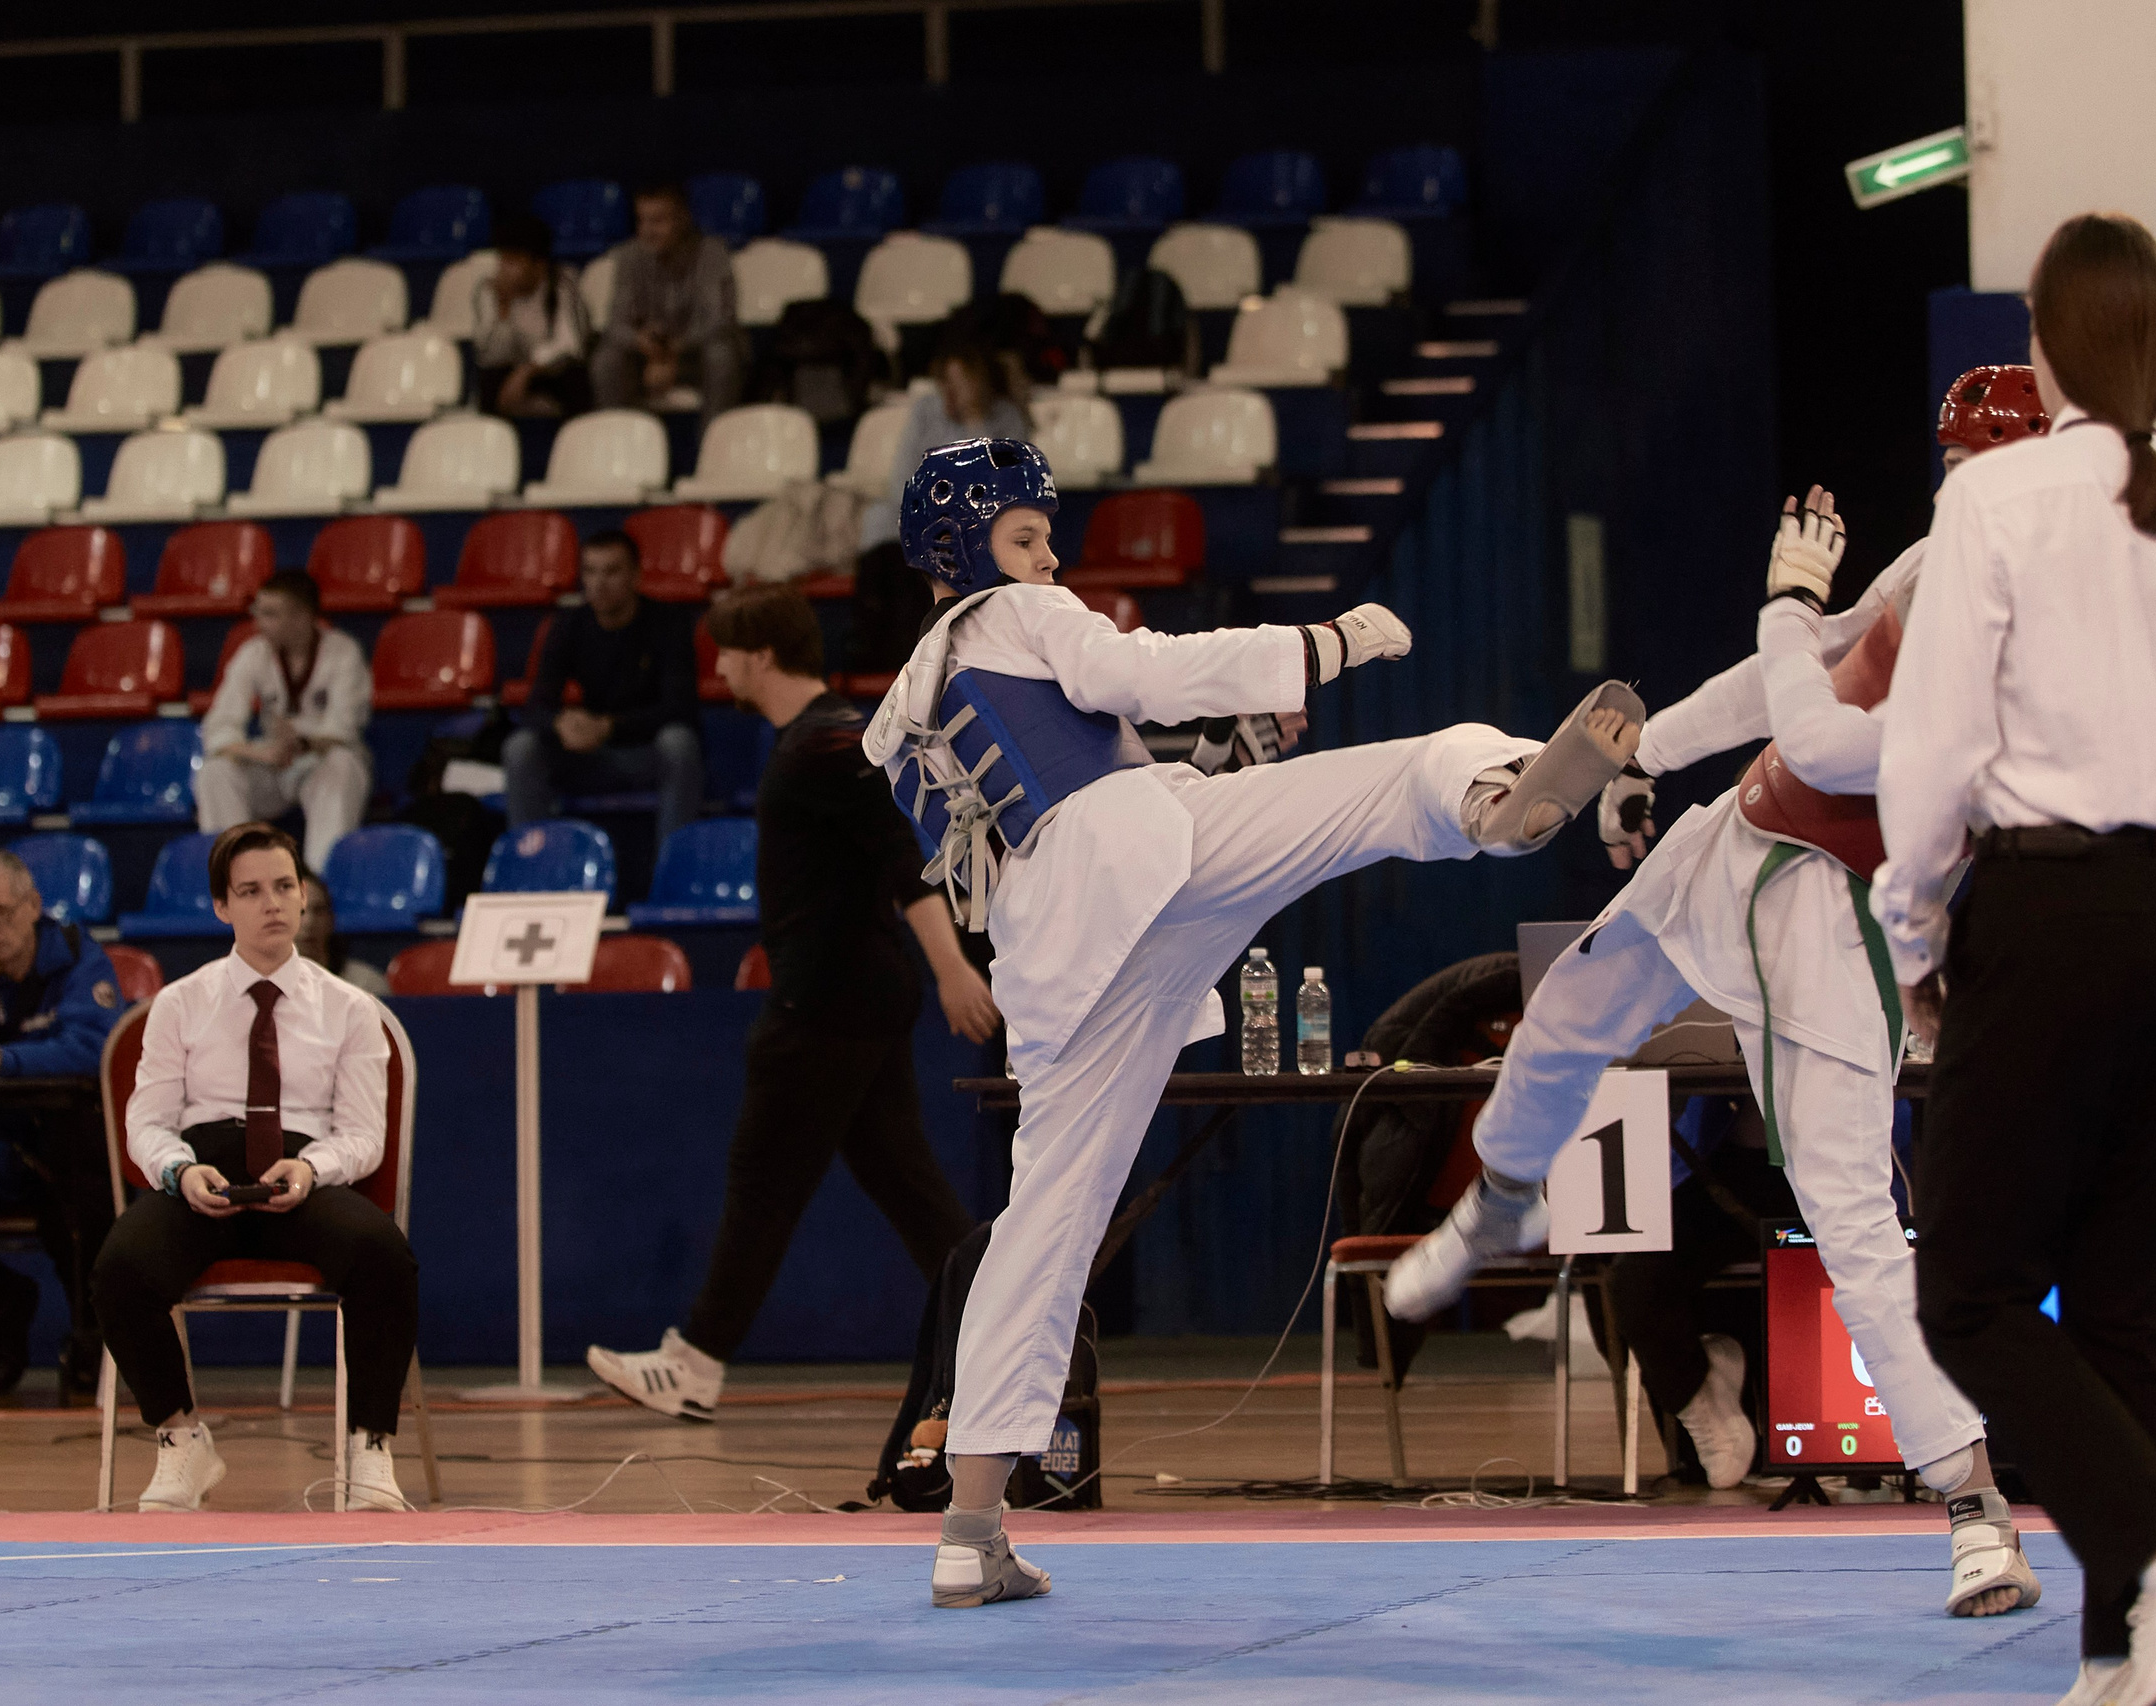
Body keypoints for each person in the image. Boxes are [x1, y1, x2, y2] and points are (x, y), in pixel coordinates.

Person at [865, 437, 1640, 1607]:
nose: (1047, 554)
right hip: (1146, 857)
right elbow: (1145, 676)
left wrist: (1214, 753)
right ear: (962, 545)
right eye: (1023, 536)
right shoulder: (1017, 612)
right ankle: (1493, 798)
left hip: (1057, 953)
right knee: (1403, 772)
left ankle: (970, 1525)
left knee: (1044, 1223)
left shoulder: (895, 716)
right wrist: (1315, 649)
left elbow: (1044, 777)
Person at [1383, 369, 2054, 1623]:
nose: (1968, 493)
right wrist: (1650, 754)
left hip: (1838, 918)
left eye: (1993, 471)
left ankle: (1974, 1508)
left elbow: (1817, 732)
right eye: (1956, 469)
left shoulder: (2035, 632)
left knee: (1848, 1220)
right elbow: (1788, 676)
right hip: (1730, 850)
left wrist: (1784, 601)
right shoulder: (1924, 570)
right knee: (1561, 1019)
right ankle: (1501, 1206)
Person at [1871, 213, 2156, 1706]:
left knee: (1973, 1297)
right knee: (2120, 1300)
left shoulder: (2001, 501)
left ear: (2045, 342)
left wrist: (1918, 939)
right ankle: (2127, 1650)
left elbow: (1931, 757)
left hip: (2053, 912)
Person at [586, 583, 997, 1419]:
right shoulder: (817, 736)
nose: (721, 667)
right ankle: (1016, 1334)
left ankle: (696, 1361)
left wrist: (953, 967)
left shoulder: (828, 741)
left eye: (729, 652)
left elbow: (898, 855)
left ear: (762, 655)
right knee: (908, 1187)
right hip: (853, 997)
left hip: (830, 1004)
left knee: (762, 1180)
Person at [94, 823, 419, 1512]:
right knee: (120, 1266)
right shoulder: (179, 1004)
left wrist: (312, 1168)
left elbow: (365, 1134)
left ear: (302, 898)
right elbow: (145, 1124)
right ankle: (182, 1440)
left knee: (384, 1254)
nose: (271, 903)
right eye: (250, 891)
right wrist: (180, 1171)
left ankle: (368, 1447)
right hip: (201, 1172)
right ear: (221, 907)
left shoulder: (352, 1010)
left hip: (303, 1173)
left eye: (283, 887)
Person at [0, 849, 130, 1397]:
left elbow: (95, 1051)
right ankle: (2, 1309)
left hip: (70, 1151)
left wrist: (6, 1061)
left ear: (33, 906)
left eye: (1, 913)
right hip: (7, 1146)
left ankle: (93, 1343)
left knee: (82, 1179)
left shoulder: (77, 960)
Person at [502, 529, 704, 847]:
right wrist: (561, 724)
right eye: (591, 571)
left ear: (635, 576)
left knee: (679, 743)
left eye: (612, 571)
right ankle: (533, 865)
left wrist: (609, 726)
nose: (599, 583)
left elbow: (681, 707)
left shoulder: (668, 623)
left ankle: (672, 866)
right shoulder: (569, 624)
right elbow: (536, 706)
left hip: (645, 753)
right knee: (522, 747)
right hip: (589, 755)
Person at [851, 332, 1035, 674]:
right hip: (926, 519)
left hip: (978, 526)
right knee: (882, 534)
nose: (951, 394)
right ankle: (882, 654)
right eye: (945, 384)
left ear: (978, 382)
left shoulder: (1006, 418)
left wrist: (975, 420)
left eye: (960, 384)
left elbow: (1007, 489)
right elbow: (903, 479)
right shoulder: (925, 411)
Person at [195, 570, 373, 872]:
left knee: (342, 765)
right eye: (260, 612)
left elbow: (344, 729)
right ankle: (235, 877)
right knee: (215, 772)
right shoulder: (253, 653)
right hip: (273, 761)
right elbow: (219, 727)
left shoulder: (343, 653)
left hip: (320, 761)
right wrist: (259, 752)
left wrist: (301, 742)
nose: (259, 622)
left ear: (302, 617)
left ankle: (321, 881)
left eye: (270, 614)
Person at [589, 181, 746, 423]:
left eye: (658, 221)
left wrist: (672, 350)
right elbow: (616, 324)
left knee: (721, 353)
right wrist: (642, 342)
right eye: (642, 221)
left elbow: (719, 321)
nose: (648, 231)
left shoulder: (711, 253)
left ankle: (714, 443)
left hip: (694, 354)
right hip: (648, 355)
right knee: (606, 360)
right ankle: (622, 443)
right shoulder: (629, 256)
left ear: (683, 219)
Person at [472, 211, 593, 420]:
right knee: (488, 381)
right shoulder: (489, 291)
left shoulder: (562, 285)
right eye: (502, 259)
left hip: (549, 372)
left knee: (576, 378)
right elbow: (488, 355)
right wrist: (503, 308)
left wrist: (527, 371)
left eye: (513, 261)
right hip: (511, 371)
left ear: (539, 264)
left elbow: (571, 345)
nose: (504, 269)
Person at [297, 871, 390, 997]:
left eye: (319, 910)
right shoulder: (266, 986)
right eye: (299, 910)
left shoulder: (366, 984)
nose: (309, 922)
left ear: (332, 919)